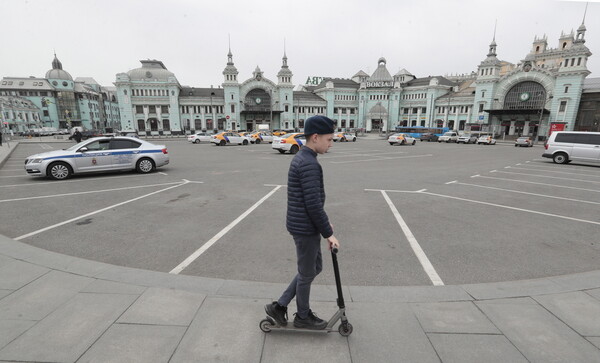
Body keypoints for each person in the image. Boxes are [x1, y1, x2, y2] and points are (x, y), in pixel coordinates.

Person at [265, 115, 340, 330]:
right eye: (329, 139)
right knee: (307, 273)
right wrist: (329, 234)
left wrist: (326, 226)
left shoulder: (304, 158)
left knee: (314, 268)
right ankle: (303, 316)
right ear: (315, 137)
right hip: (305, 228)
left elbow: (312, 202)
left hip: (305, 225)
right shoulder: (309, 164)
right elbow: (313, 205)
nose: (331, 143)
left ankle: (279, 306)